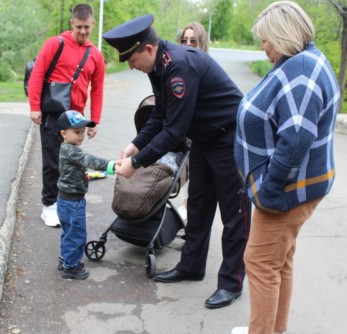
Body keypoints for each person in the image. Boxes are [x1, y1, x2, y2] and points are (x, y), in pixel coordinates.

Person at [103, 15, 251, 309]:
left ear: (147, 49)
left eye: (131, 60)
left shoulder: (178, 66)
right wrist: (136, 144)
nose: (131, 67)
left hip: (229, 139)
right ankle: (191, 266)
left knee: (234, 215)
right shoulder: (158, 66)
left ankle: (231, 283)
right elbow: (160, 113)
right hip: (204, 141)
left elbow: (174, 131)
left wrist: (137, 164)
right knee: (197, 206)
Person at [231, 2, 340, 333]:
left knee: (261, 264)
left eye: (265, 38)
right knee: (279, 262)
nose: (262, 45)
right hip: (295, 188)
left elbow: (295, 141)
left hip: (286, 193)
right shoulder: (297, 61)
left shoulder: (301, 72)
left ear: (282, 35)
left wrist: (268, 189)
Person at [28, 4, 105, 227]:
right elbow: (38, 73)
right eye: (79, 27)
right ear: (72, 23)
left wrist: (94, 120)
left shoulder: (95, 55)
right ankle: (49, 205)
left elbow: (97, 89)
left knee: (70, 162)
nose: (82, 32)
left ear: (92, 24)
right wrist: (34, 105)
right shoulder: (56, 44)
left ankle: (63, 203)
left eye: (87, 28)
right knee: (52, 161)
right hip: (53, 112)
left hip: (76, 117)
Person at [55, 110, 116, 280]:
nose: (81, 136)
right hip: (72, 202)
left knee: (69, 232)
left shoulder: (68, 148)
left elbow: (74, 170)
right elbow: (90, 160)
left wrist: (83, 177)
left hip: (66, 199)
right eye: (77, 132)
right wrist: (111, 166)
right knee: (76, 235)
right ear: (63, 133)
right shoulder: (71, 150)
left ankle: (65, 260)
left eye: (82, 131)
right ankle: (72, 267)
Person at [176, 21, 209, 220]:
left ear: (201, 43)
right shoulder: (177, 68)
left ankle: (190, 209)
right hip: (186, 132)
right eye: (184, 40)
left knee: (197, 180)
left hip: (203, 135)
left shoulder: (206, 68)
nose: (188, 44)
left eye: (193, 41)